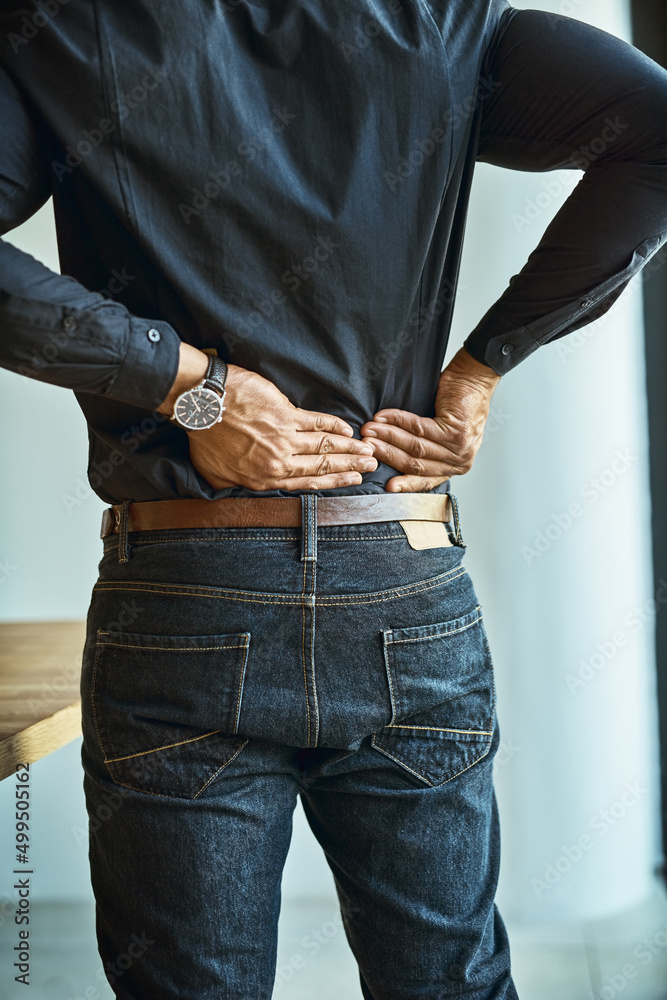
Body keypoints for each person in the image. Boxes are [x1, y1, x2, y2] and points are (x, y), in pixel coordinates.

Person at [1, 1, 666, 997]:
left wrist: (182, 380)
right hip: (400, 589)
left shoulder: (61, 21)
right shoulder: (443, 19)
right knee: (447, 984)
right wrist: (486, 363)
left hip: (184, 596)